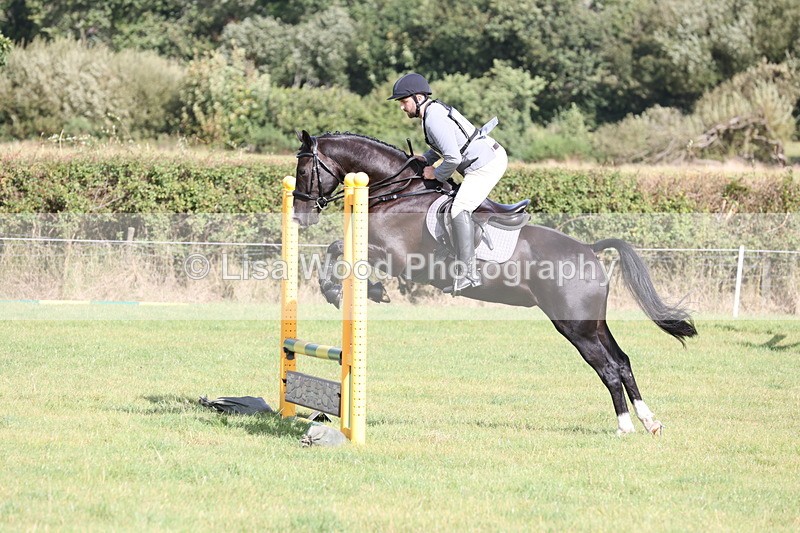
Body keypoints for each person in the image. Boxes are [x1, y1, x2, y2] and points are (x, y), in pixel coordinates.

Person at [388, 72, 508, 295]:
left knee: (459, 208)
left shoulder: (433, 118)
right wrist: (426, 159)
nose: (402, 108)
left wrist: (436, 174)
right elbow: (443, 147)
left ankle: (469, 273)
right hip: (479, 160)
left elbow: (453, 158)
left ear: (418, 98)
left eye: (403, 102)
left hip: (487, 164)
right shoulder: (431, 112)